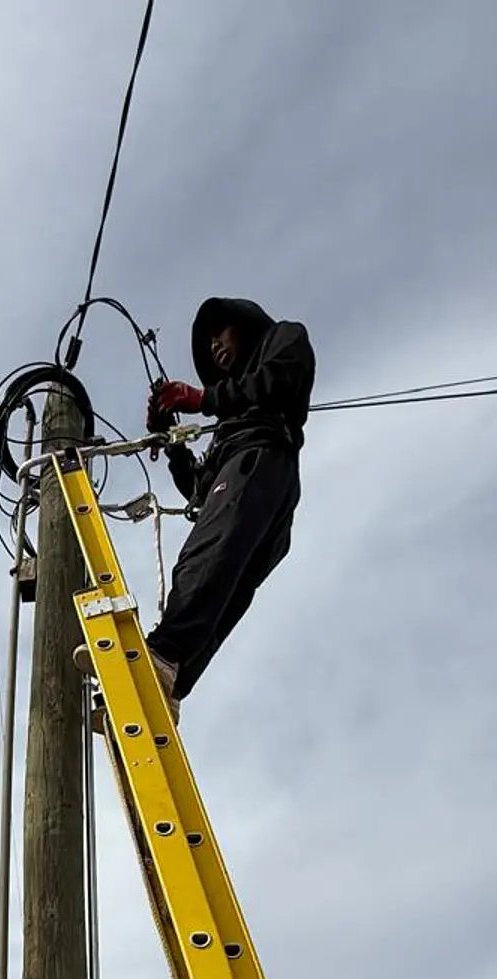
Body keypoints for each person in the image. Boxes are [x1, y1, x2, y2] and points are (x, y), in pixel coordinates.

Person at [143, 297, 315, 717]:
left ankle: (163, 655)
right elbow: (200, 494)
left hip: (264, 461)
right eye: (209, 341)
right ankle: (170, 685)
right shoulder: (229, 427)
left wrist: (201, 398)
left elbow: (275, 380)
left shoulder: (283, 337)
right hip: (255, 478)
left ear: (244, 323)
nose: (215, 345)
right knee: (228, 586)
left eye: (221, 332)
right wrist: (173, 443)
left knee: (208, 556)